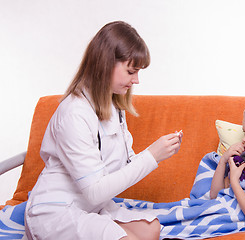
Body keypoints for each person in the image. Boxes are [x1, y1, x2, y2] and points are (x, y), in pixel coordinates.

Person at [24, 21, 183, 240]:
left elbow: (126, 166)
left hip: (91, 206)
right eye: (130, 71)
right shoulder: (74, 113)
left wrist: (158, 153)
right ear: (105, 64)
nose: (136, 80)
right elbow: (95, 190)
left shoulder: (114, 106)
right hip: (56, 210)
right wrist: (152, 155)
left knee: (151, 229)